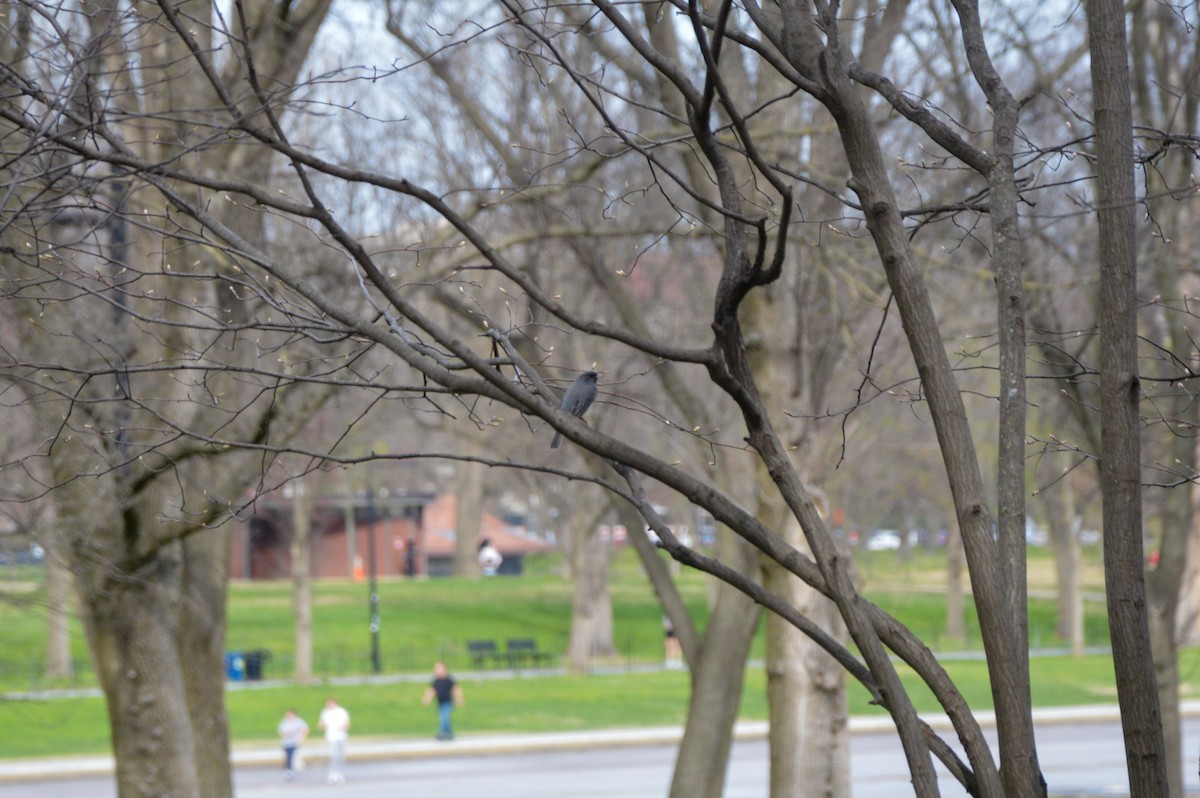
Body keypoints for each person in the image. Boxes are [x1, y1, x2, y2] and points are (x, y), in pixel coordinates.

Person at [421, 661, 464, 740]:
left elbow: (456, 689)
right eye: (436, 669)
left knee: (444, 717)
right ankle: (449, 732)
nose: (437, 671)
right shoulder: (436, 681)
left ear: (445, 670)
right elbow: (432, 690)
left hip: (447, 702)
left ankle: (443, 732)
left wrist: (459, 699)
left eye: (439, 668)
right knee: (443, 718)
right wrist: (427, 699)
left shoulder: (449, 679)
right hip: (440, 703)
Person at [317, 697, 351, 784]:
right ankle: (332, 774)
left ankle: (340, 774)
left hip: (341, 737)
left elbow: (347, 723)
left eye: (330, 703)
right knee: (333, 756)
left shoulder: (341, 711)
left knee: (341, 756)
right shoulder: (325, 712)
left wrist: (343, 727)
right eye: (327, 704)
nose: (329, 705)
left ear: (335, 703)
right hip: (331, 737)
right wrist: (321, 726)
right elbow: (321, 723)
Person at [277, 708, 308, 780]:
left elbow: (305, 729)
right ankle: (289, 770)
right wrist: (286, 734)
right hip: (286, 742)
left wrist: (302, 737)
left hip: (294, 742)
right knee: (287, 757)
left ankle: (290, 771)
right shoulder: (284, 722)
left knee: (292, 756)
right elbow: (281, 731)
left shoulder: (298, 722)